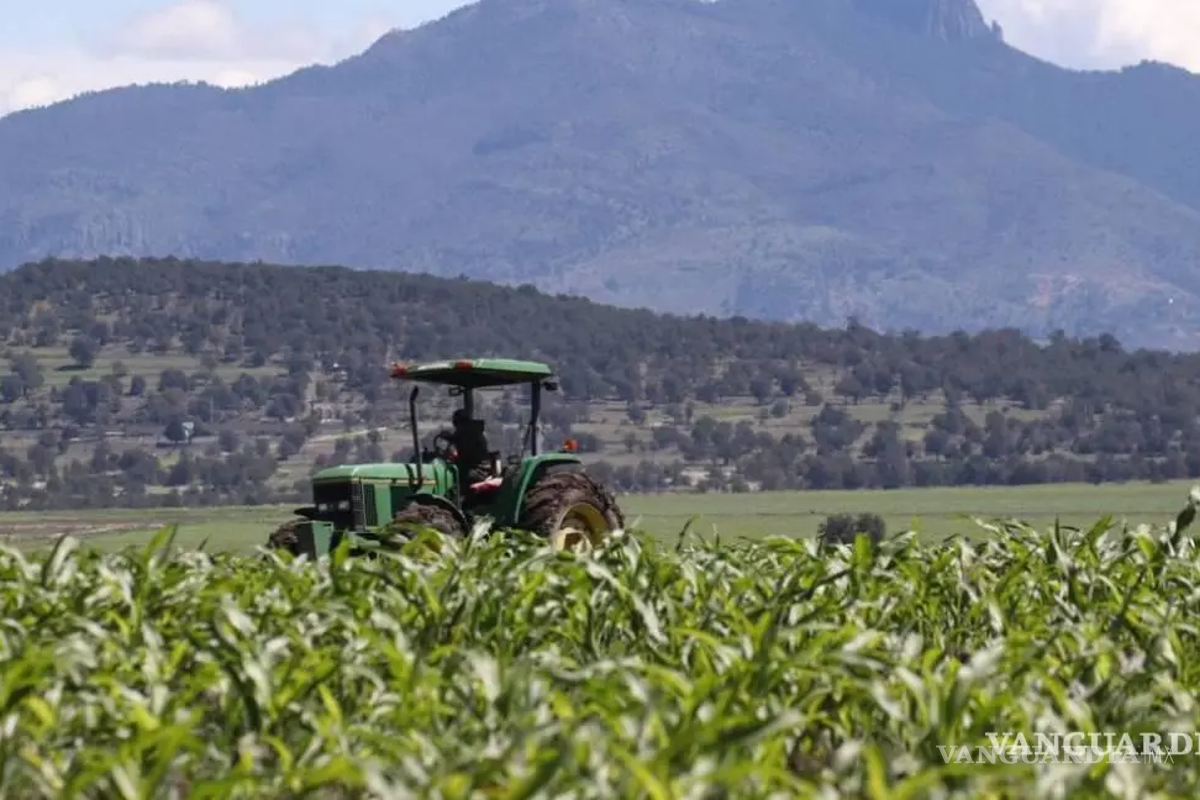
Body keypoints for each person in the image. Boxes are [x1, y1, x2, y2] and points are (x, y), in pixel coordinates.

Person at [447, 408, 494, 486]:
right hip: (472, 467)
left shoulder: (471, 434)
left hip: (479, 470)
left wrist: (451, 439)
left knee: (457, 476)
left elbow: (466, 453)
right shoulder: (467, 433)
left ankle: (460, 496)